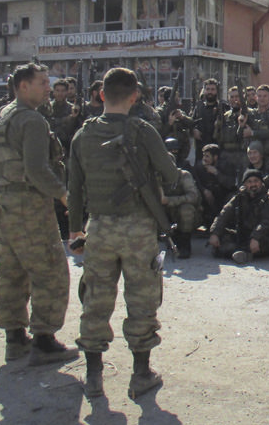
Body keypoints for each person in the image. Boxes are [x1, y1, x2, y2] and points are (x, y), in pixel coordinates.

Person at [68, 67, 180, 399]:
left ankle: (93, 377)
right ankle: (141, 375)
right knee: (142, 300)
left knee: (95, 301)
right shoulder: (144, 130)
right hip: (139, 228)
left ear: (102, 95)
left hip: (98, 228)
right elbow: (171, 175)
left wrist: (76, 231)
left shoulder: (82, 136)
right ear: (135, 97)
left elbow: (74, 191)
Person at [0, 64, 77, 365]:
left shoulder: (2, 116)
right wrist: (64, 196)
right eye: (42, 83)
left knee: (12, 269)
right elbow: (37, 170)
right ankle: (44, 340)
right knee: (49, 269)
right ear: (23, 86)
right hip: (29, 205)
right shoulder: (31, 120)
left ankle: (15, 339)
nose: (48, 89)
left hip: (4, 201)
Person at [208, 169, 269, 264]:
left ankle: (240, 253)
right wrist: (215, 233)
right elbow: (224, 214)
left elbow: (267, 222)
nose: (253, 184)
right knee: (221, 238)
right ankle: (241, 253)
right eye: (249, 182)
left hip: (262, 235)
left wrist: (255, 237)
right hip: (243, 234)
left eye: (256, 181)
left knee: (264, 244)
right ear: (245, 184)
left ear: (261, 183)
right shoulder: (239, 196)